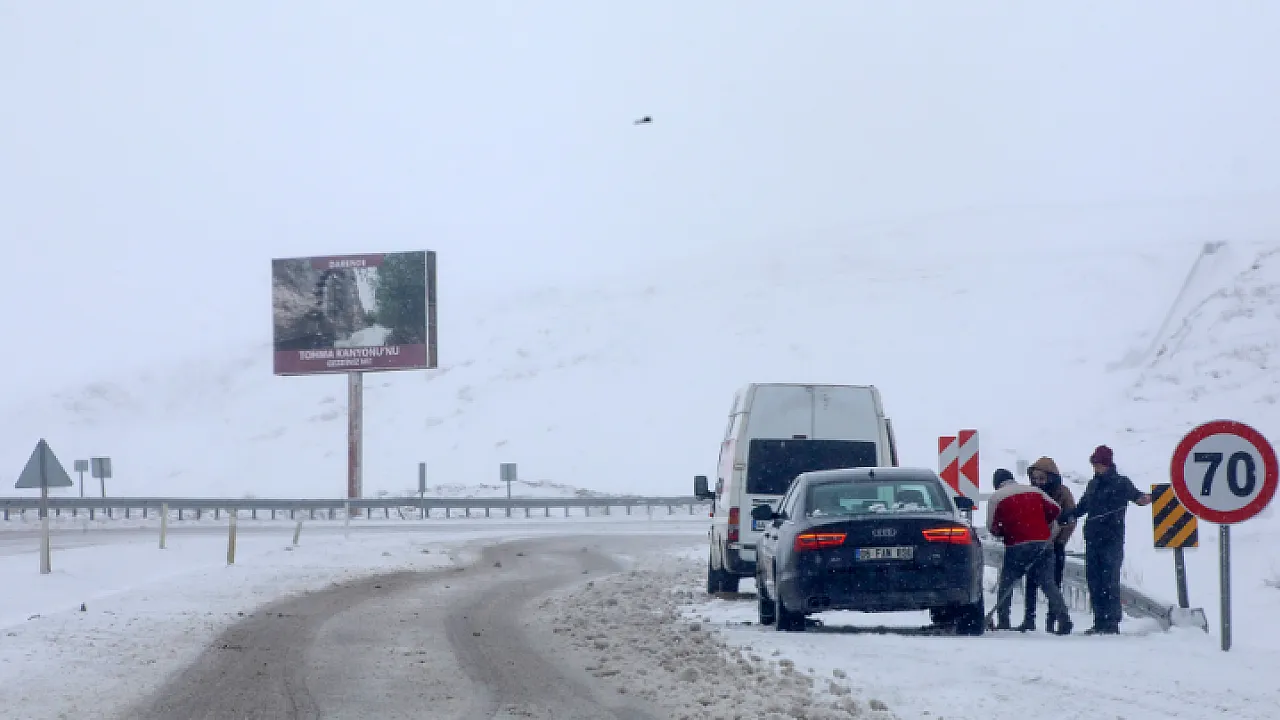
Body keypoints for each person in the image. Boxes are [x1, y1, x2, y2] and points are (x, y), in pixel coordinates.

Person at [1056, 445, 1151, 635]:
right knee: (1094, 582)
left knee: (1109, 581)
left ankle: (1111, 623)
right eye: (1094, 464)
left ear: (1107, 464)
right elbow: (1082, 508)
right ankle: (1099, 621)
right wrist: (1065, 516)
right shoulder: (1093, 485)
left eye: (1099, 464)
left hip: (1112, 541)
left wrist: (1154, 496)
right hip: (1092, 540)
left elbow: (1139, 498)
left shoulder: (1122, 483)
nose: (1096, 468)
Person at [986, 468, 1073, 635]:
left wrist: (1005, 530)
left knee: (1007, 583)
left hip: (1017, 544)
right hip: (1043, 543)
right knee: (1048, 583)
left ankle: (1004, 621)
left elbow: (992, 527)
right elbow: (1055, 509)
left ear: (997, 484)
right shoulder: (1034, 491)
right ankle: (1064, 619)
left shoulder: (996, 497)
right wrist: (1041, 522)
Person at [1019, 457, 1076, 633]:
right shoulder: (1031, 493)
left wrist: (1059, 540)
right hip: (1034, 544)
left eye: (1042, 478)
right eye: (1035, 478)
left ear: (1051, 478)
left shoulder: (1063, 493)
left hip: (1055, 546)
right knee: (1031, 584)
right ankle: (1029, 619)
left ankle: (1053, 620)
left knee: (1053, 584)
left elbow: (1071, 519)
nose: (1038, 482)